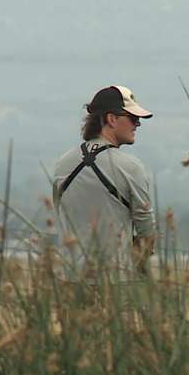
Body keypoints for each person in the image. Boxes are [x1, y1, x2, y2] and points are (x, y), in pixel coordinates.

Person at [53, 85, 156, 279]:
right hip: (115, 282)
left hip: (68, 277)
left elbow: (60, 213)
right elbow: (146, 233)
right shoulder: (131, 167)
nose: (137, 125)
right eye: (133, 118)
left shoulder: (62, 164)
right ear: (111, 119)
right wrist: (139, 265)